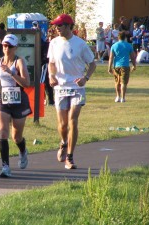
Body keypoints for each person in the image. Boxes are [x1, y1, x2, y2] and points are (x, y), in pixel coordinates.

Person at [48, 14, 96, 169]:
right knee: (62, 125)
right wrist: (51, 76)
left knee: (72, 120)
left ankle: (70, 157)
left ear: (69, 26)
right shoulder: (54, 43)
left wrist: (85, 78)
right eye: (56, 26)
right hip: (60, 87)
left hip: (77, 87)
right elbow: (51, 63)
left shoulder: (80, 44)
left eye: (60, 25)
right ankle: (63, 142)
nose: (57, 28)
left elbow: (92, 64)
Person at [0, 34, 32, 177]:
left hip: (19, 100)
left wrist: (12, 73)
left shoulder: (20, 62)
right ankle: (5, 167)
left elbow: (27, 83)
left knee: (16, 137)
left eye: (10, 46)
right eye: (4, 45)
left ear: (15, 48)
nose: (6, 48)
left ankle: (22, 151)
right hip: (3, 100)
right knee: (3, 132)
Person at [108, 31, 136, 103]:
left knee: (117, 82)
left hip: (116, 66)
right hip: (125, 65)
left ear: (118, 37)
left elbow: (111, 57)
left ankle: (117, 96)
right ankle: (123, 98)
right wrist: (134, 65)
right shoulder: (129, 45)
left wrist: (109, 67)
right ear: (125, 37)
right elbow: (133, 57)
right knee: (123, 83)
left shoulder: (114, 45)